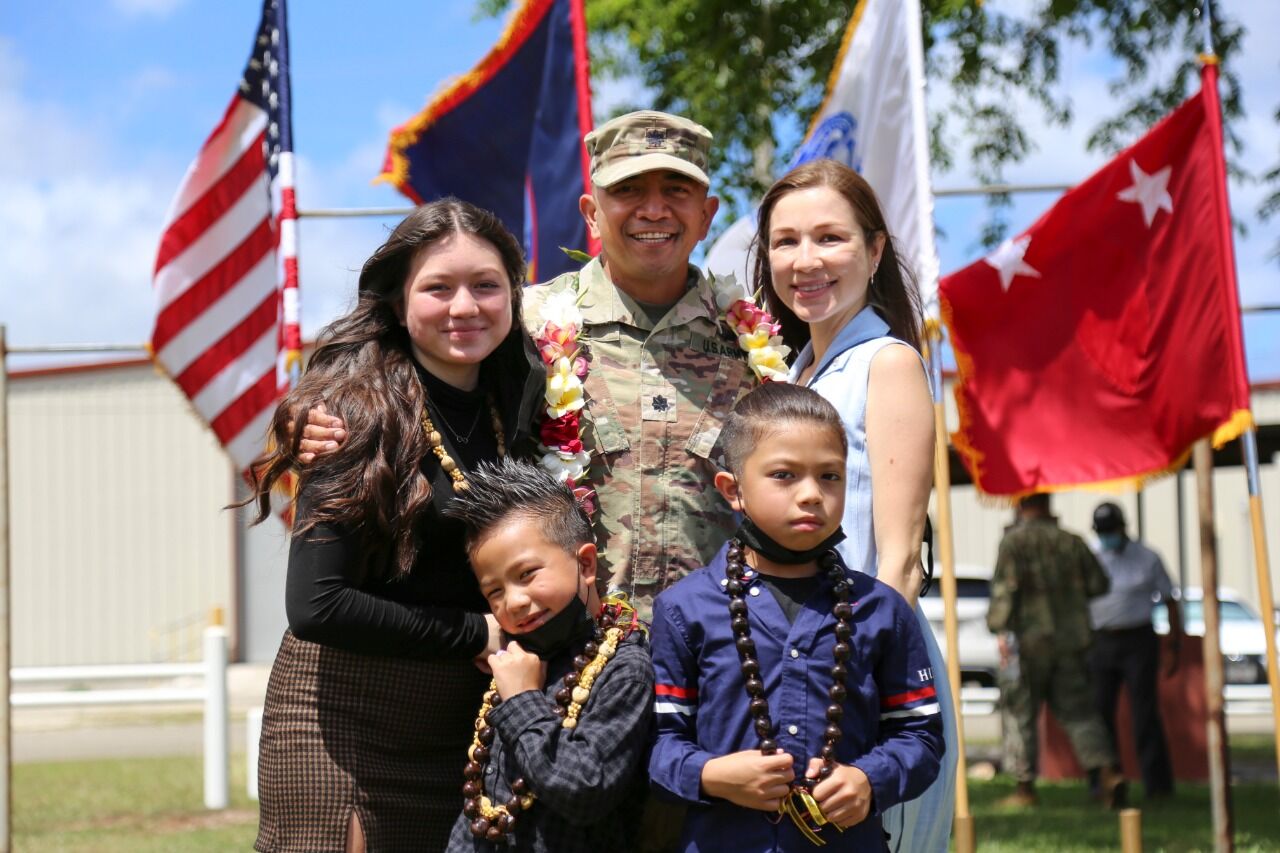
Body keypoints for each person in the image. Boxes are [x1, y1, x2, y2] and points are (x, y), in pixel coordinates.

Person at [301, 110, 760, 616]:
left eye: (676, 190)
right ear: (591, 213)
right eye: (628, 191)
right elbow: (410, 364)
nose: (654, 210)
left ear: (708, 214)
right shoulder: (523, 325)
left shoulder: (753, 340)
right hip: (574, 652)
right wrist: (314, 418)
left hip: (719, 646)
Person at [247, 200, 544, 853]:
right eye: (438, 287)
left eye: (486, 285)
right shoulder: (352, 415)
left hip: (455, 729)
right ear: (399, 300)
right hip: (347, 723)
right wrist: (476, 631)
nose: (464, 305)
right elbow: (317, 604)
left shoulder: (518, 398)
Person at [751, 158, 956, 851]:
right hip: (794, 659)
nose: (805, 260)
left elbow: (900, 559)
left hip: (866, 668)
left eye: (829, 239)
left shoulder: (888, 361)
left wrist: (863, 703)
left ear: (874, 251)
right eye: (785, 241)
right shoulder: (795, 371)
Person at [648, 382, 945, 851]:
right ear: (733, 489)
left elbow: (922, 737)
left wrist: (869, 780)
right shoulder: (685, 610)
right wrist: (712, 774)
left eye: (830, 476)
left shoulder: (881, 610)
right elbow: (660, 745)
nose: (811, 494)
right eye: (784, 475)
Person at [441, 458, 655, 852]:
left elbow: (583, 789)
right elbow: (482, 801)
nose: (516, 602)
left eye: (526, 575)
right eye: (495, 592)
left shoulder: (623, 668)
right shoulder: (515, 661)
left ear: (586, 563)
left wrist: (523, 701)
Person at [986, 493, 1126, 809]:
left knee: (1021, 714)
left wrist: (998, 627)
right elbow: (1099, 584)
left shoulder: (1014, 543)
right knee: (1080, 713)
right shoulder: (1073, 542)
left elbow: (1004, 593)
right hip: (1071, 643)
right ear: (1049, 504)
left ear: (1019, 504)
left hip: (1028, 644)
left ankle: (1024, 788)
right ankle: (1107, 772)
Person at [1089, 501, 1182, 798]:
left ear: (1123, 528)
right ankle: (1106, 782)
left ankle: (1158, 787)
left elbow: (1170, 600)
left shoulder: (1147, 557)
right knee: (1100, 713)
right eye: (1102, 532)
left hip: (1138, 640)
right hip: (1100, 641)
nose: (1107, 536)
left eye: (1111, 530)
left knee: (1144, 714)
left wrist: (1172, 646)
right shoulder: (1090, 557)